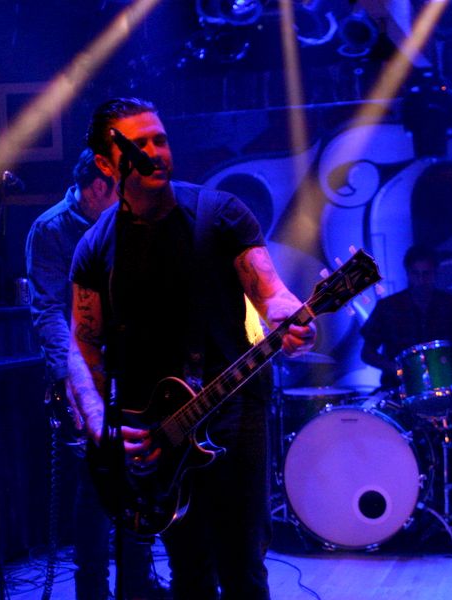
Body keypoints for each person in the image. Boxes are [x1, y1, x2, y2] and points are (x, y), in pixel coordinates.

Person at [67, 97, 316, 600]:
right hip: (155, 429)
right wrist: (102, 429)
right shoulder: (95, 245)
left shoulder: (219, 214)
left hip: (232, 410)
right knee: (189, 572)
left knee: (242, 568)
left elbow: (271, 293)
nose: (156, 152)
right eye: (139, 145)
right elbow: (83, 345)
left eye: (160, 139)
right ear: (107, 164)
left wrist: (292, 318)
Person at [26, 148, 167, 600]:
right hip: (84, 375)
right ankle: (92, 590)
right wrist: (71, 379)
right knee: (94, 488)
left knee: (139, 476)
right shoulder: (51, 229)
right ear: (99, 185)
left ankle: (138, 583)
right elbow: (49, 312)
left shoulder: (127, 223)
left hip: (132, 372)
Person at [360, 244, 452, 392]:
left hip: (444, 386)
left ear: (435, 273)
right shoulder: (388, 307)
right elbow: (367, 353)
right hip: (398, 388)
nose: (421, 280)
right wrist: (397, 369)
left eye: (426, 274)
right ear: (408, 274)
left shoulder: (451, 306)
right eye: (415, 274)